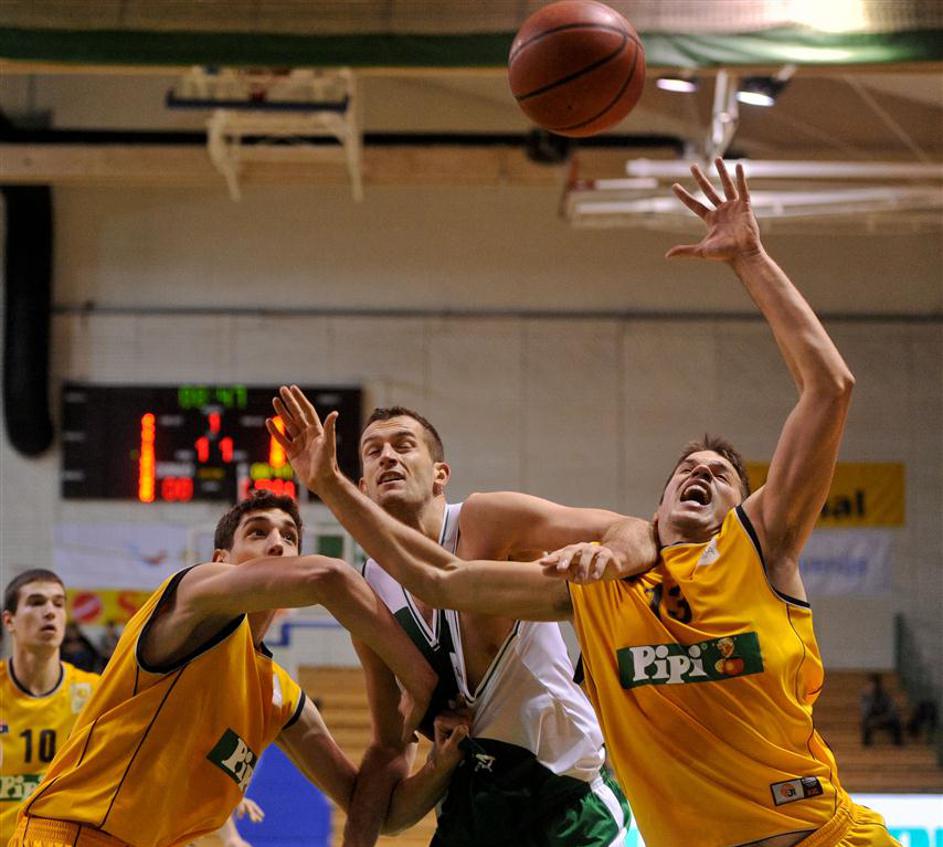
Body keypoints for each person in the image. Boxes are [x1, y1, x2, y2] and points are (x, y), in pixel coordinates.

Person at [267, 161, 901, 847]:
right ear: (658, 505)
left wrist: (750, 259)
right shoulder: (596, 594)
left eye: (720, 475)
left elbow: (829, 387)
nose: (700, 472)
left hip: (821, 835)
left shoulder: (759, 549)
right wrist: (329, 483)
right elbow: (438, 577)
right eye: (686, 469)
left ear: (743, 510)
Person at [292, 402, 655, 847]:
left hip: (566, 803)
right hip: (473, 810)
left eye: (403, 445)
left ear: (440, 474)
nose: (388, 456)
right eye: (373, 451)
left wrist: (613, 556)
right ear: (363, 487)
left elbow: (630, 527)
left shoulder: (484, 520)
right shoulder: (370, 590)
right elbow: (390, 746)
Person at [11, 490, 458, 847]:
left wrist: (437, 765)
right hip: (69, 834)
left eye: (289, 537)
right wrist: (419, 676)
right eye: (258, 532)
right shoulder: (195, 594)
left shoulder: (279, 696)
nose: (277, 543)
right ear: (220, 560)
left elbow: (382, 813)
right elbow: (329, 578)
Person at [0, 571, 99, 843]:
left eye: (58, 603)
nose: (50, 612)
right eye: (36, 602)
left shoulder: (94, 693)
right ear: (9, 621)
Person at [860, 674, 903, 746]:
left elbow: (892, 709)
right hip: (872, 718)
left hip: (885, 718)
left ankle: (898, 745)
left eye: (874, 685)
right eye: (871, 685)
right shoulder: (865, 696)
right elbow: (865, 711)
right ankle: (867, 745)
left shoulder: (885, 695)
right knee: (865, 722)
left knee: (896, 721)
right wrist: (870, 697)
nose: (872, 687)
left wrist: (882, 719)